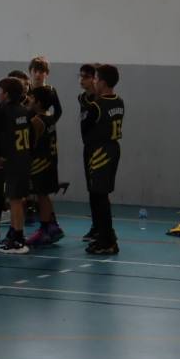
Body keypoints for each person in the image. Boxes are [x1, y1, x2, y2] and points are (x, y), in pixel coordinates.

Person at [0, 77, 39, 254]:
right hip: (24, 158)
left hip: (12, 160)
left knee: (15, 200)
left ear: (6, 94)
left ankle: (18, 239)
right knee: (17, 199)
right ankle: (14, 233)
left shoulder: (4, 111)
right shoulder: (25, 111)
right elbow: (32, 136)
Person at [82, 64, 125, 255]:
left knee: (99, 196)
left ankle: (107, 241)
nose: (94, 82)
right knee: (99, 194)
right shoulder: (119, 101)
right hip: (113, 148)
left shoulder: (96, 106)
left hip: (99, 151)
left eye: (96, 79)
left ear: (103, 82)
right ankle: (104, 235)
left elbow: (85, 130)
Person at [25, 85, 65, 246]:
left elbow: (30, 144)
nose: (29, 100)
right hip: (50, 161)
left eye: (32, 98)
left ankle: (44, 228)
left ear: (39, 103)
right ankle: (51, 226)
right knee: (44, 195)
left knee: (41, 195)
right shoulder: (50, 116)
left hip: (40, 163)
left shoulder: (36, 121)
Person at [77, 63, 99, 242]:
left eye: (85, 77)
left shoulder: (101, 100)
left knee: (100, 190)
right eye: (80, 76)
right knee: (91, 189)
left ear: (95, 79)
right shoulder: (82, 98)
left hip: (100, 148)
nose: (81, 80)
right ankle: (95, 226)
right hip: (88, 147)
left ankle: (102, 228)